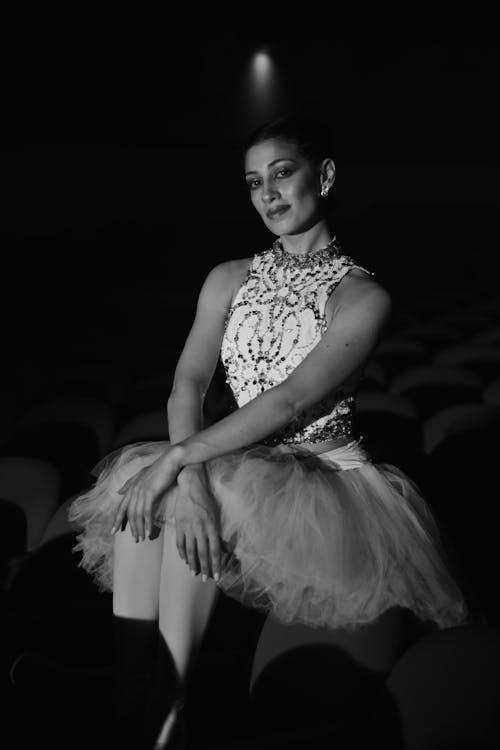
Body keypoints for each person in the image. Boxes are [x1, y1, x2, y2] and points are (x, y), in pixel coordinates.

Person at [68, 115, 469, 749]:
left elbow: (289, 400)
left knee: (187, 486)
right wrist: (189, 472)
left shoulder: (363, 295)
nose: (268, 194)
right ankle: (134, 697)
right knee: (162, 495)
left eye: (283, 174)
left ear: (326, 176)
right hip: (233, 461)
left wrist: (181, 464)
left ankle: (169, 711)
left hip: (322, 476)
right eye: (254, 182)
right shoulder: (227, 277)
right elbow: (186, 385)